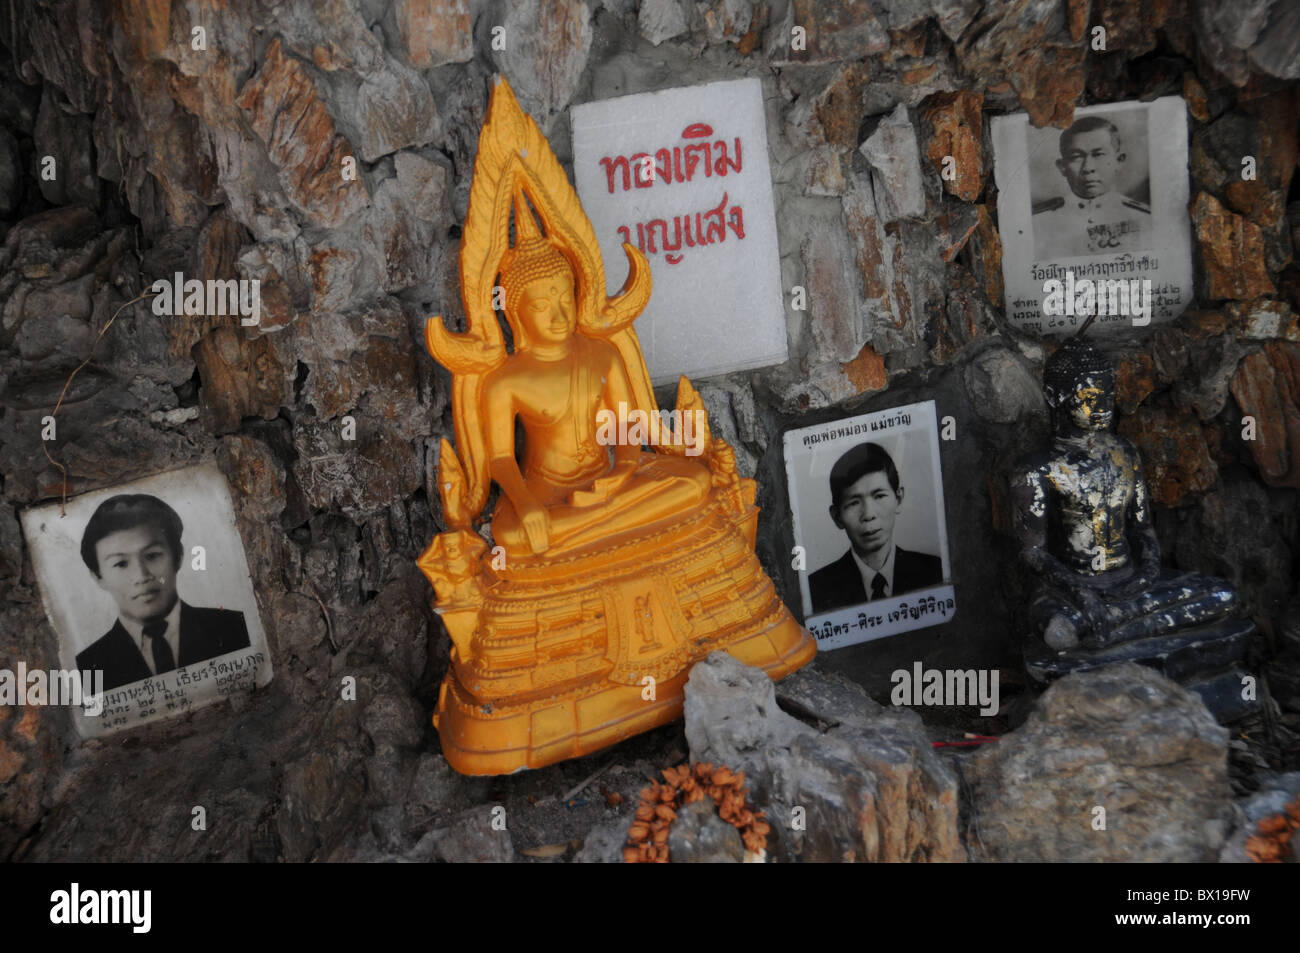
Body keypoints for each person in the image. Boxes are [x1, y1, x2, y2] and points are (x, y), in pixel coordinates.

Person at [75, 494, 249, 691]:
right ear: (98, 576)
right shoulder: (85, 669)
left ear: (178, 556)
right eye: (121, 563)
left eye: (152, 556)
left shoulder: (236, 629)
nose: (141, 576)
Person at [808, 442, 944, 615]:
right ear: (837, 517)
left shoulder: (934, 571)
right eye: (854, 503)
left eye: (879, 496)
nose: (868, 514)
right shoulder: (815, 590)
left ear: (899, 499)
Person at [1032, 116, 1149, 259]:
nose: (1088, 168)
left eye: (1098, 155)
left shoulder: (1145, 218)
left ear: (1119, 161)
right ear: (1062, 167)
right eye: (1076, 156)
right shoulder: (1037, 223)